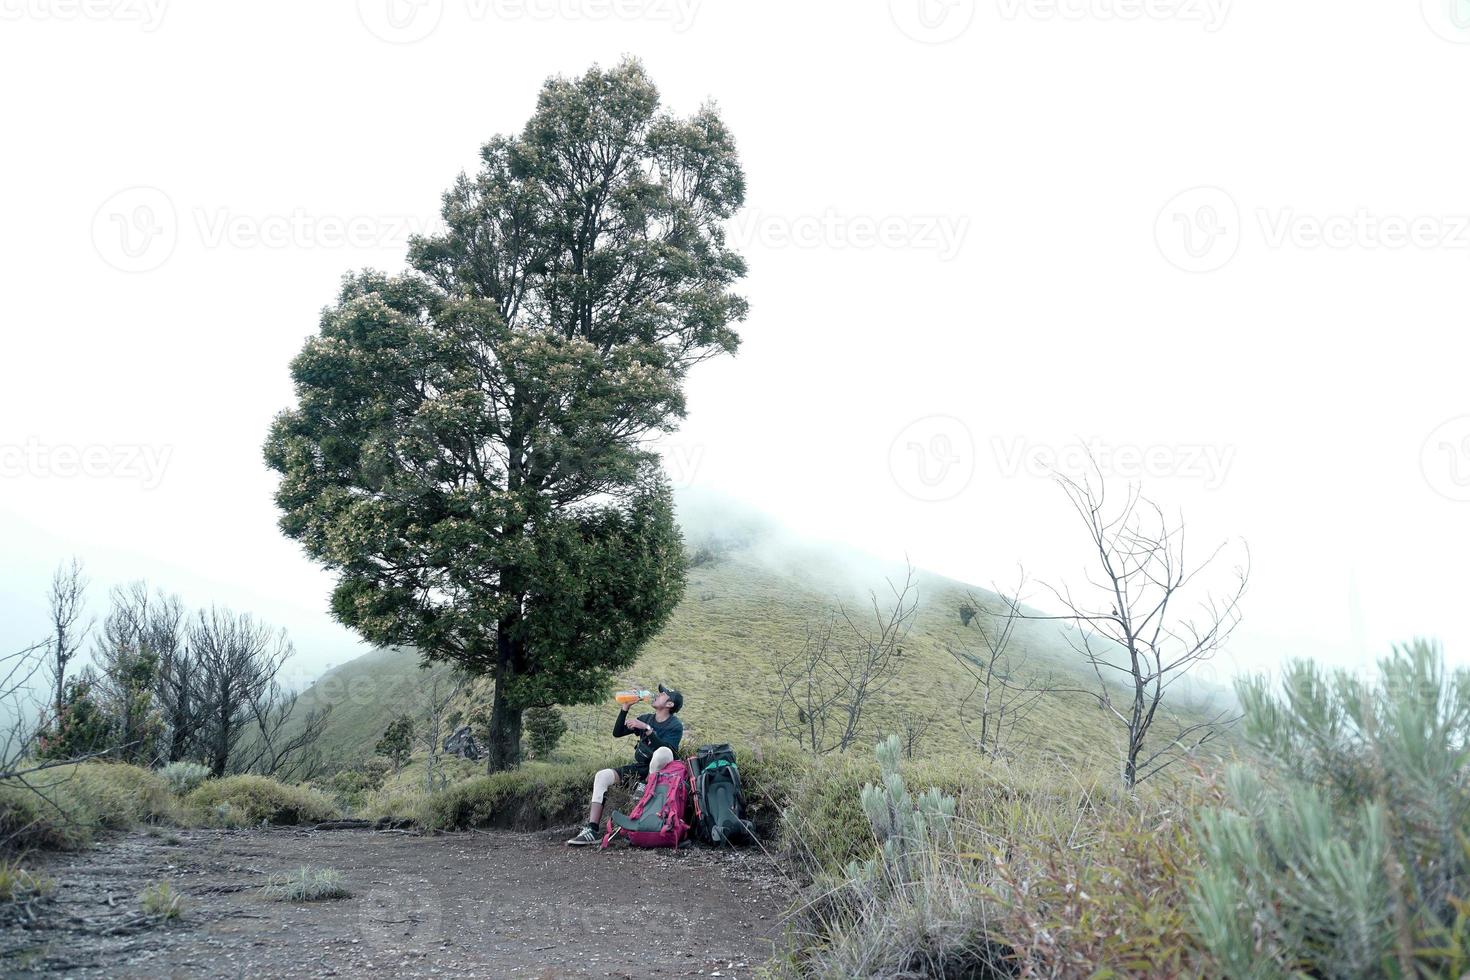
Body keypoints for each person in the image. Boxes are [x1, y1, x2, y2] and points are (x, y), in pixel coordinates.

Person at [566, 684, 684, 846]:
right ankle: (592, 830)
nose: (657, 695)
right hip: (640, 768)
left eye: (663, 694)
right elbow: (617, 732)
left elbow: (670, 752)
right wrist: (625, 708)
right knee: (602, 776)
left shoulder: (674, 725)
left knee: (662, 752)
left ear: (670, 704)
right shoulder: (646, 718)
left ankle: (645, 788)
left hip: (661, 775)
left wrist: (648, 730)